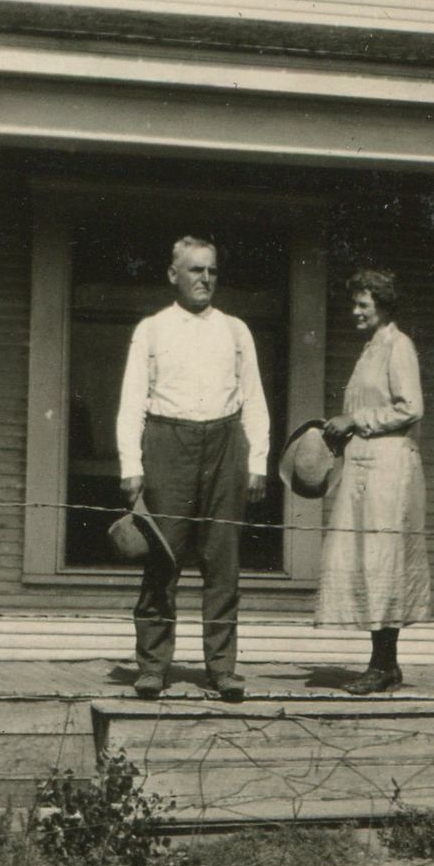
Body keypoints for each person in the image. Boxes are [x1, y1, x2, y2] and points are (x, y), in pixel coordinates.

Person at [117, 237, 269, 701]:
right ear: (173, 275)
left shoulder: (236, 330)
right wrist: (131, 463)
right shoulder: (152, 329)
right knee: (163, 558)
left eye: (212, 271)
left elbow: (254, 399)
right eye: (196, 270)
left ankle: (222, 667)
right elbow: (132, 401)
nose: (205, 279)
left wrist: (258, 460)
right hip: (168, 442)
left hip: (225, 445)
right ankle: (153, 666)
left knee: (222, 561)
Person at [319, 269, 431, 693]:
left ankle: (384, 665)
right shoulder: (371, 350)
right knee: (367, 559)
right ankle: (384, 663)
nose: (355, 312)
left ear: (383, 306)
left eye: (363, 305)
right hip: (366, 465)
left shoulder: (398, 347)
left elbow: (411, 407)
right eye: (355, 304)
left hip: (390, 469)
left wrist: (356, 419)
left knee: (384, 560)